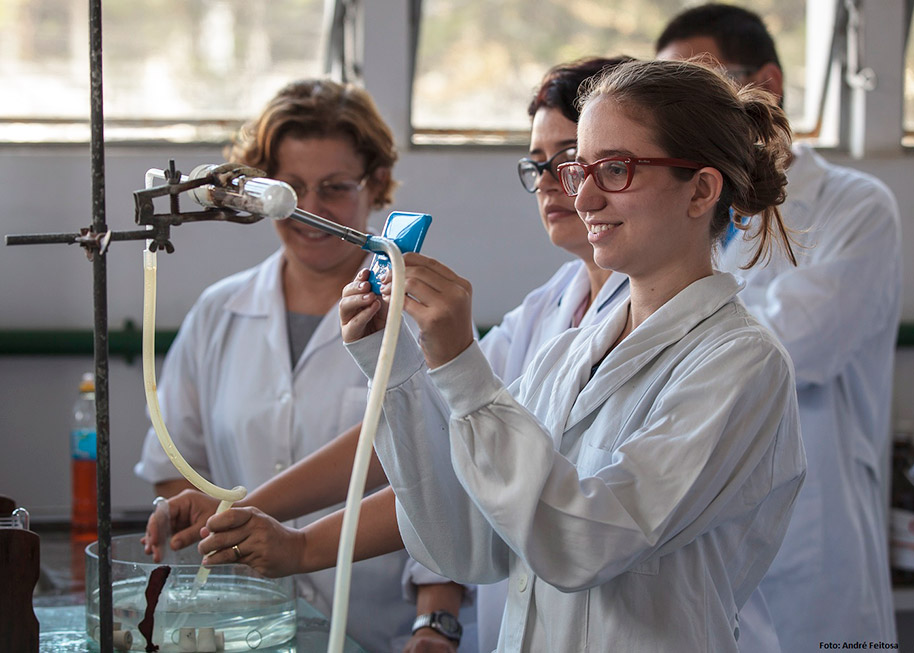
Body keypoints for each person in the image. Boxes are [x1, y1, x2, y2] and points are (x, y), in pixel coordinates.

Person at [147, 57, 633, 653]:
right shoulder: (546, 309)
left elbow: (457, 467)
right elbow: (411, 439)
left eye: (575, 160)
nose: (559, 182)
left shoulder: (699, 342)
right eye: (541, 165)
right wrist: (248, 514)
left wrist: (432, 615)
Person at [338, 58, 806, 651]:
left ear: (702, 190)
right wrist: (400, 367)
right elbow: (469, 546)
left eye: (615, 169)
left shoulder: (742, 364)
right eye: (577, 169)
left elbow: (581, 544)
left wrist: (462, 367)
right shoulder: (569, 352)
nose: (581, 195)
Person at [133, 79, 419, 652]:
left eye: (334, 188)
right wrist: (203, 524)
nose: (309, 211)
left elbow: (433, 476)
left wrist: (436, 623)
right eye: (290, 188)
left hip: (376, 625)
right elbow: (173, 463)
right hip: (246, 624)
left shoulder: (415, 313)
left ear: (377, 185)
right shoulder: (219, 311)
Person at [656, 5, 902, 650]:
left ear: (768, 81)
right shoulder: (689, 210)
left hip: (815, 535)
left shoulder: (855, 205)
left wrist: (668, 329)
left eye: (701, 83)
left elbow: (794, 346)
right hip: (700, 530)